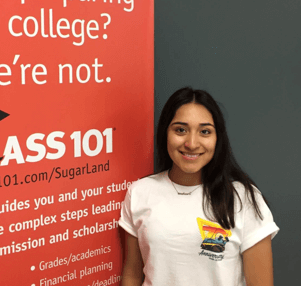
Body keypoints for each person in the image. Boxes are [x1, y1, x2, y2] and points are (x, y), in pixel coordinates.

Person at [119, 87, 279, 286]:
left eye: (204, 131)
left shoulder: (243, 198)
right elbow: (132, 275)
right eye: (180, 130)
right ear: (165, 133)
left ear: (217, 138)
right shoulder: (140, 192)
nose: (192, 143)